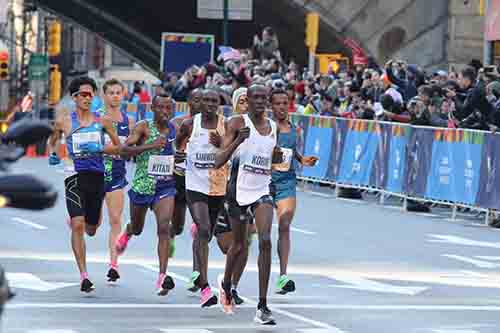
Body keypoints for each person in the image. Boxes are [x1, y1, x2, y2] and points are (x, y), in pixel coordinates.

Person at [214, 84, 281, 325]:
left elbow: (271, 157)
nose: (261, 102)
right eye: (256, 98)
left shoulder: (273, 127)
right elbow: (218, 160)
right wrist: (237, 141)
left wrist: (280, 158)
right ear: (248, 100)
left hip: (262, 190)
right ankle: (226, 284)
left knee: (264, 240)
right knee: (239, 245)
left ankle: (262, 306)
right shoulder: (236, 123)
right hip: (237, 191)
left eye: (265, 98)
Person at [48, 77, 122, 293]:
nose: (88, 98)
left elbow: (119, 148)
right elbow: (53, 140)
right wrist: (54, 154)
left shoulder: (103, 122)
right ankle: (84, 276)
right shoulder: (65, 121)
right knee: (78, 224)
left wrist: (100, 148)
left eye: (91, 94)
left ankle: (90, 220)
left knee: (92, 227)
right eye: (84, 94)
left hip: (97, 177)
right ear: (75, 98)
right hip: (73, 175)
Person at [114, 93, 177, 296]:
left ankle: (161, 277)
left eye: (169, 108)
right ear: (152, 108)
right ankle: (129, 230)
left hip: (165, 186)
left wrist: (180, 156)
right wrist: (150, 145)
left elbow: (181, 150)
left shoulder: (174, 129)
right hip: (142, 185)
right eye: (161, 108)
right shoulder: (143, 127)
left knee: (164, 227)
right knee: (139, 228)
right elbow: (124, 151)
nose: (165, 112)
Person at [176, 89, 227, 307]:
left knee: (206, 234)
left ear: (219, 104)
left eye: (213, 101)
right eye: (206, 100)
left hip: (217, 186)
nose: (209, 104)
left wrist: (222, 144)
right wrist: (178, 154)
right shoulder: (190, 124)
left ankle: (198, 272)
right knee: (204, 228)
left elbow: (235, 149)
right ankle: (205, 287)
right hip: (195, 184)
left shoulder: (226, 124)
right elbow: (177, 145)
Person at [269, 89, 318, 294]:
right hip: (262, 181)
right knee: (253, 232)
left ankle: (282, 276)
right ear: (271, 106)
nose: (281, 107)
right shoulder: (266, 128)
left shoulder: (295, 129)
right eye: (277, 103)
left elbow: (291, 151)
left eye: (284, 103)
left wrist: (302, 160)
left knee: (285, 223)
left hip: (286, 181)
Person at [99, 79, 135, 283]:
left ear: (123, 95)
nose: (114, 96)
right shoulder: (98, 120)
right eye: (111, 92)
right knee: (93, 224)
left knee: (115, 219)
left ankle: (113, 265)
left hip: (117, 174)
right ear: (104, 96)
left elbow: (129, 149)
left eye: (118, 92)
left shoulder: (128, 121)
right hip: (96, 173)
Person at [170, 89, 204, 293]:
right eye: (196, 100)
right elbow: (172, 146)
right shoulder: (178, 122)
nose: (199, 104)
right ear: (189, 102)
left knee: (201, 227)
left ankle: (196, 273)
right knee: (179, 226)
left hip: (200, 179)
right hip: (180, 177)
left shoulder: (213, 124)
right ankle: (171, 234)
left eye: (203, 100)